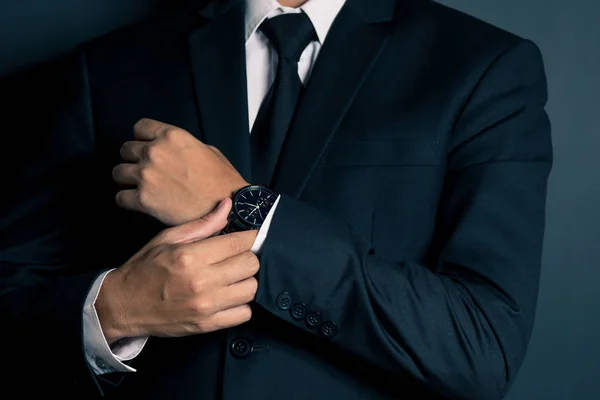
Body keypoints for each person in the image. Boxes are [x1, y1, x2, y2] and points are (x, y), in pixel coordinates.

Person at [0, 0, 553, 398]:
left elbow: (481, 347)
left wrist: (245, 207)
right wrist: (113, 308)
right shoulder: (104, 68)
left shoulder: (481, 67)